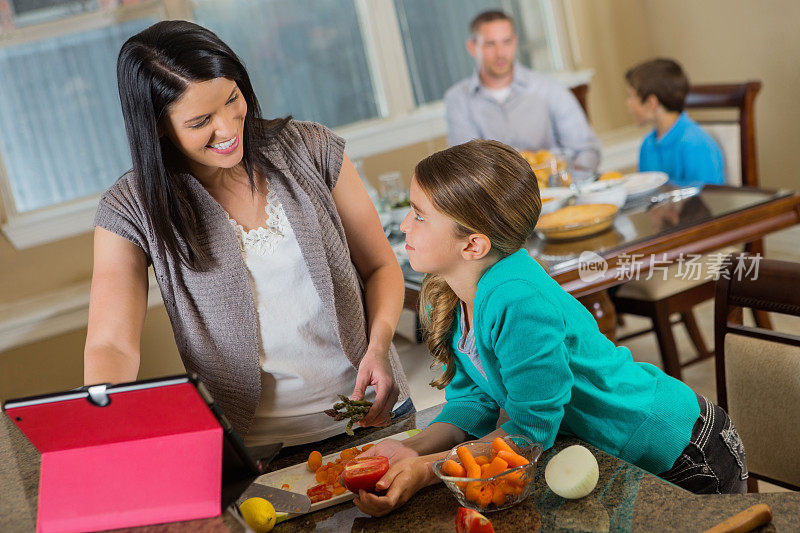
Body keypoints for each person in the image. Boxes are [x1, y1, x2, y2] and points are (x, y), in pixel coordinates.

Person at [353, 139, 748, 517]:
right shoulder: (453, 293)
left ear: (473, 246)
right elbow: (474, 402)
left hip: (683, 452)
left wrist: (427, 471)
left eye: (419, 215)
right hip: (619, 455)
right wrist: (411, 449)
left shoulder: (517, 300)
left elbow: (528, 435)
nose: (404, 225)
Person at [84, 20, 412, 447]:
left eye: (232, 98)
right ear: (158, 127)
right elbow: (112, 344)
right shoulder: (131, 207)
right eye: (202, 120)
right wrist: (103, 421)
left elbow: (382, 266)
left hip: (376, 414)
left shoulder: (308, 147)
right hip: (256, 449)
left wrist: (379, 345)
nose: (228, 127)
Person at [444, 10, 600, 171]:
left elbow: (586, 149)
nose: (500, 53)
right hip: (499, 194)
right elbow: (466, 165)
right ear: (472, 47)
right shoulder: (457, 100)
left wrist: (569, 180)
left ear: (515, 41)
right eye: (490, 44)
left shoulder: (548, 88)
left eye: (506, 42)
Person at [625, 58, 725, 186]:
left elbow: (710, 199)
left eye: (632, 96)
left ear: (651, 103)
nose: (628, 103)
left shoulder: (696, 144)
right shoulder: (647, 144)